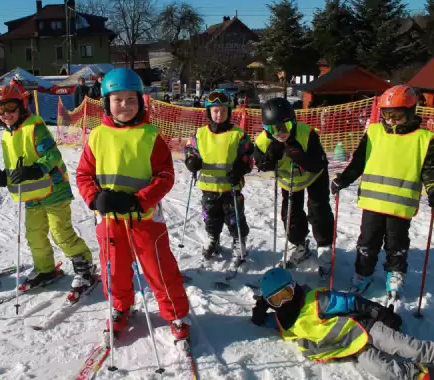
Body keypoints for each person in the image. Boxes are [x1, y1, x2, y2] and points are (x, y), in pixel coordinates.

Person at [76, 68, 191, 343]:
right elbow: (84, 175)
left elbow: (165, 175)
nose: (125, 105)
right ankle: (119, 308)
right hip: (109, 219)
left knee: (159, 268)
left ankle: (175, 313)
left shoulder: (150, 136)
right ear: (106, 103)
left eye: (131, 99)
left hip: (145, 218)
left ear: (141, 101)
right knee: (113, 268)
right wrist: (94, 197)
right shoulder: (97, 136)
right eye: (118, 100)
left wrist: (140, 200)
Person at [0, 85, 94, 297]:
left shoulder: (34, 127)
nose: (6, 114)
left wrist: (37, 168)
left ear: (22, 106)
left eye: (11, 107)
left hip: (54, 188)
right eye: (0, 110)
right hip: (30, 194)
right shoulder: (6, 136)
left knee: (61, 233)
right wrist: (4, 178)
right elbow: (17, 166)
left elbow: (53, 155)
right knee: (34, 234)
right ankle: (45, 269)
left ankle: (85, 266)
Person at [330, 85, 434, 298]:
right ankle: (362, 273)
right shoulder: (374, 132)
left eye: (397, 115)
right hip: (372, 202)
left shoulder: (424, 139)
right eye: (387, 114)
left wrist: (432, 190)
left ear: (411, 111)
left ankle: (395, 273)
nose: (391, 120)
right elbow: (359, 162)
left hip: (400, 205)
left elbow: (430, 171)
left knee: (397, 242)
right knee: (367, 241)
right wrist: (343, 179)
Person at [251, 267, 431, 380]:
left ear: (294, 286)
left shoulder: (316, 300)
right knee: (382, 370)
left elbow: (351, 301)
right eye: (276, 300)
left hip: (365, 327)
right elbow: (260, 321)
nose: (284, 302)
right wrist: (260, 308)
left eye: (287, 293)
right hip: (353, 348)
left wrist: (379, 312)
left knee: (406, 347)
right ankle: (419, 374)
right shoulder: (283, 322)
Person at [254, 98, 334, 278]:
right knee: (290, 214)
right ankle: (299, 245)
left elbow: (319, 163)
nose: (281, 133)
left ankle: (325, 248)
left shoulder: (307, 134)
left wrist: (300, 156)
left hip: (314, 177)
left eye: (286, 126)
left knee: (318, 211)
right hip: (289, 182)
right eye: (274, 129)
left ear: (294, 122)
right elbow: (260, 164)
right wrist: (270, 157)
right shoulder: (263, 141)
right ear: (267, 129)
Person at [184, 89, 254, 261]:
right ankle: (213, 239)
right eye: (215, 111)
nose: (219, 115)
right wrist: (191, 161)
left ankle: (239, 240)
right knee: (211, 218)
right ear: (209, 112)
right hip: (208, 188)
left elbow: (249, 156)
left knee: (234, 218)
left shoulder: (238, 134)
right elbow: (190, 150)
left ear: (229, 112)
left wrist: (241, 167)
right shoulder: (200, 134)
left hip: (231, 187)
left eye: (223, 111)